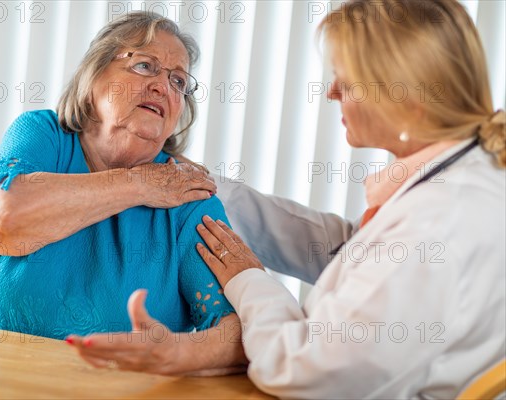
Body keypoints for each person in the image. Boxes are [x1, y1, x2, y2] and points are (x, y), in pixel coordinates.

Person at [191, 0, 505, 397]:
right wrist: (213, 189)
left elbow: (305, 370)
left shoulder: (439, 219)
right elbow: (351, 254)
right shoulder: (465, 176)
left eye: (347, 80)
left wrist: (246, 279)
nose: (332, 91)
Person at [0, 11, 247, 375]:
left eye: (178, 81)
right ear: (94, 77)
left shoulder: (186, 196)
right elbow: (4, 223)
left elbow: (243, 332)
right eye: (144, 66)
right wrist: (139, 183)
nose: (162, 87)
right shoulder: (44, 137)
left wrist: (181, 352)